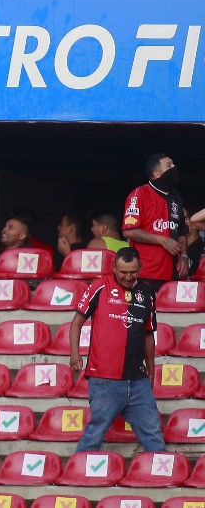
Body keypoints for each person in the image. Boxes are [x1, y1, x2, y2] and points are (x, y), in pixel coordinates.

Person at [70, 247, 166, 453]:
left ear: (140, 269)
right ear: (114, 267)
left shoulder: (148, 293)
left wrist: (151, 368)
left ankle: (160, 477)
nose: (128, 277)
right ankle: (78, 477)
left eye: (133, 272)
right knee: (96, 431)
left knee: (153, 432)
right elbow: (77, 322)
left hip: (137, 379)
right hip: (105, 379)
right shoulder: (99, 286)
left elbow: (149, 333)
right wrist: (75, 354)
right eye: (123, 272)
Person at [122, 152, 188, 294]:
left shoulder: (176, 196)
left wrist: (184, 257)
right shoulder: (139, 194)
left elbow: (182, 232)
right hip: (145, 274)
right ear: (156, 173)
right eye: (169, 165)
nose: (174, 167)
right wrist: (162, 240)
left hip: (172, 274)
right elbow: (128, 230)